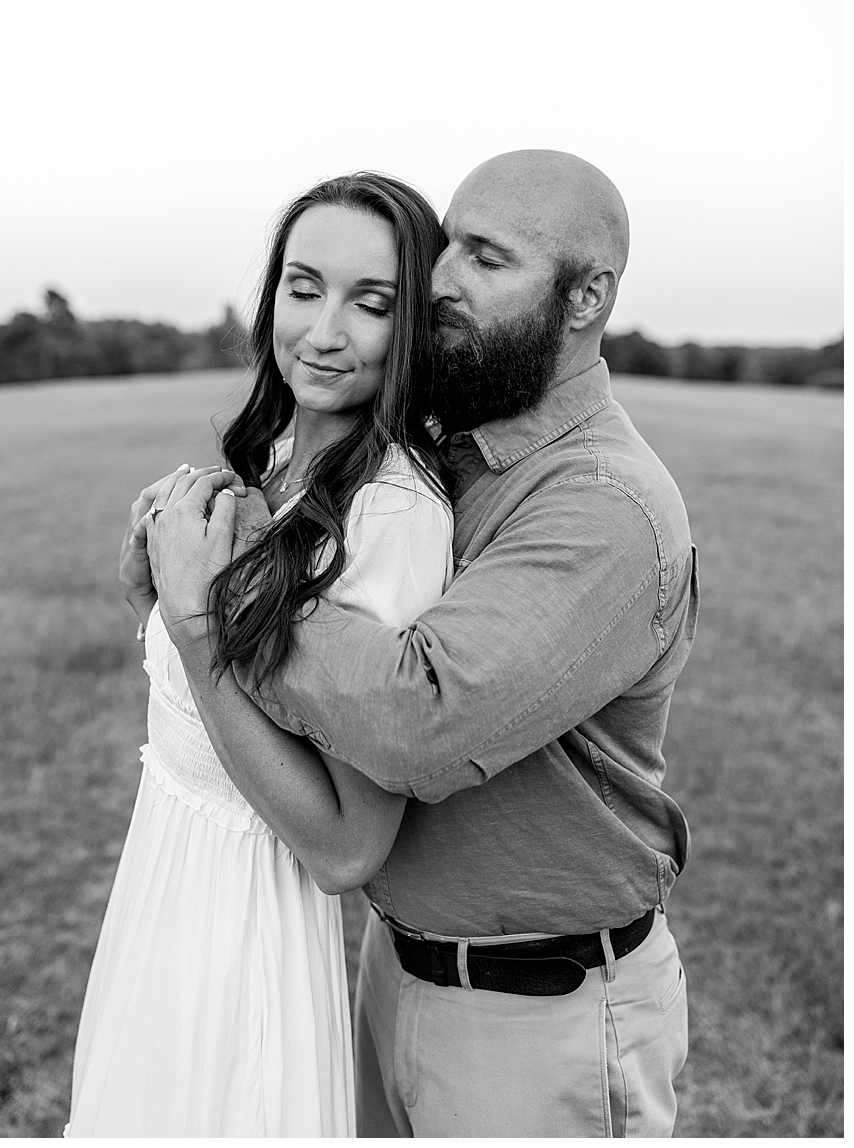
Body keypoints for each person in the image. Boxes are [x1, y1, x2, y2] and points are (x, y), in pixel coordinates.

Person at [148, 149, 697, 1137]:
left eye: (486, 259)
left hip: (539, 1019)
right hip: (390, 969)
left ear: (586, 297)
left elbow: (415, 719)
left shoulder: (604, 504)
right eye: (449, 250)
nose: (442, 281)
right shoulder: (456, 443)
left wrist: (222, 584)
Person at [68, 172, 454, 1136]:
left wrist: (198, 623)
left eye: (372, 304)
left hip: (250, 934)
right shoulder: (269, 466)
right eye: (303, 285)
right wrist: (150, 581)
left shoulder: (393, 518)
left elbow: (347, 847)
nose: (324, 331)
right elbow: (203, 709)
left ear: (411, 331)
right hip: (163, 890)